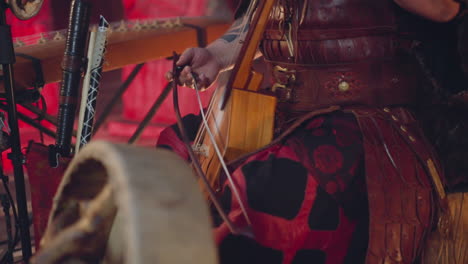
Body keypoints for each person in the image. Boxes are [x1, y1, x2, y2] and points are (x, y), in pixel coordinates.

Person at [159, 0, 463, 263]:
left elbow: (443, 8)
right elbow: (260, 18)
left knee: (261, 190)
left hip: (370, 116)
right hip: (289, 110)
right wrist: (215, 55)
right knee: (175, 152)